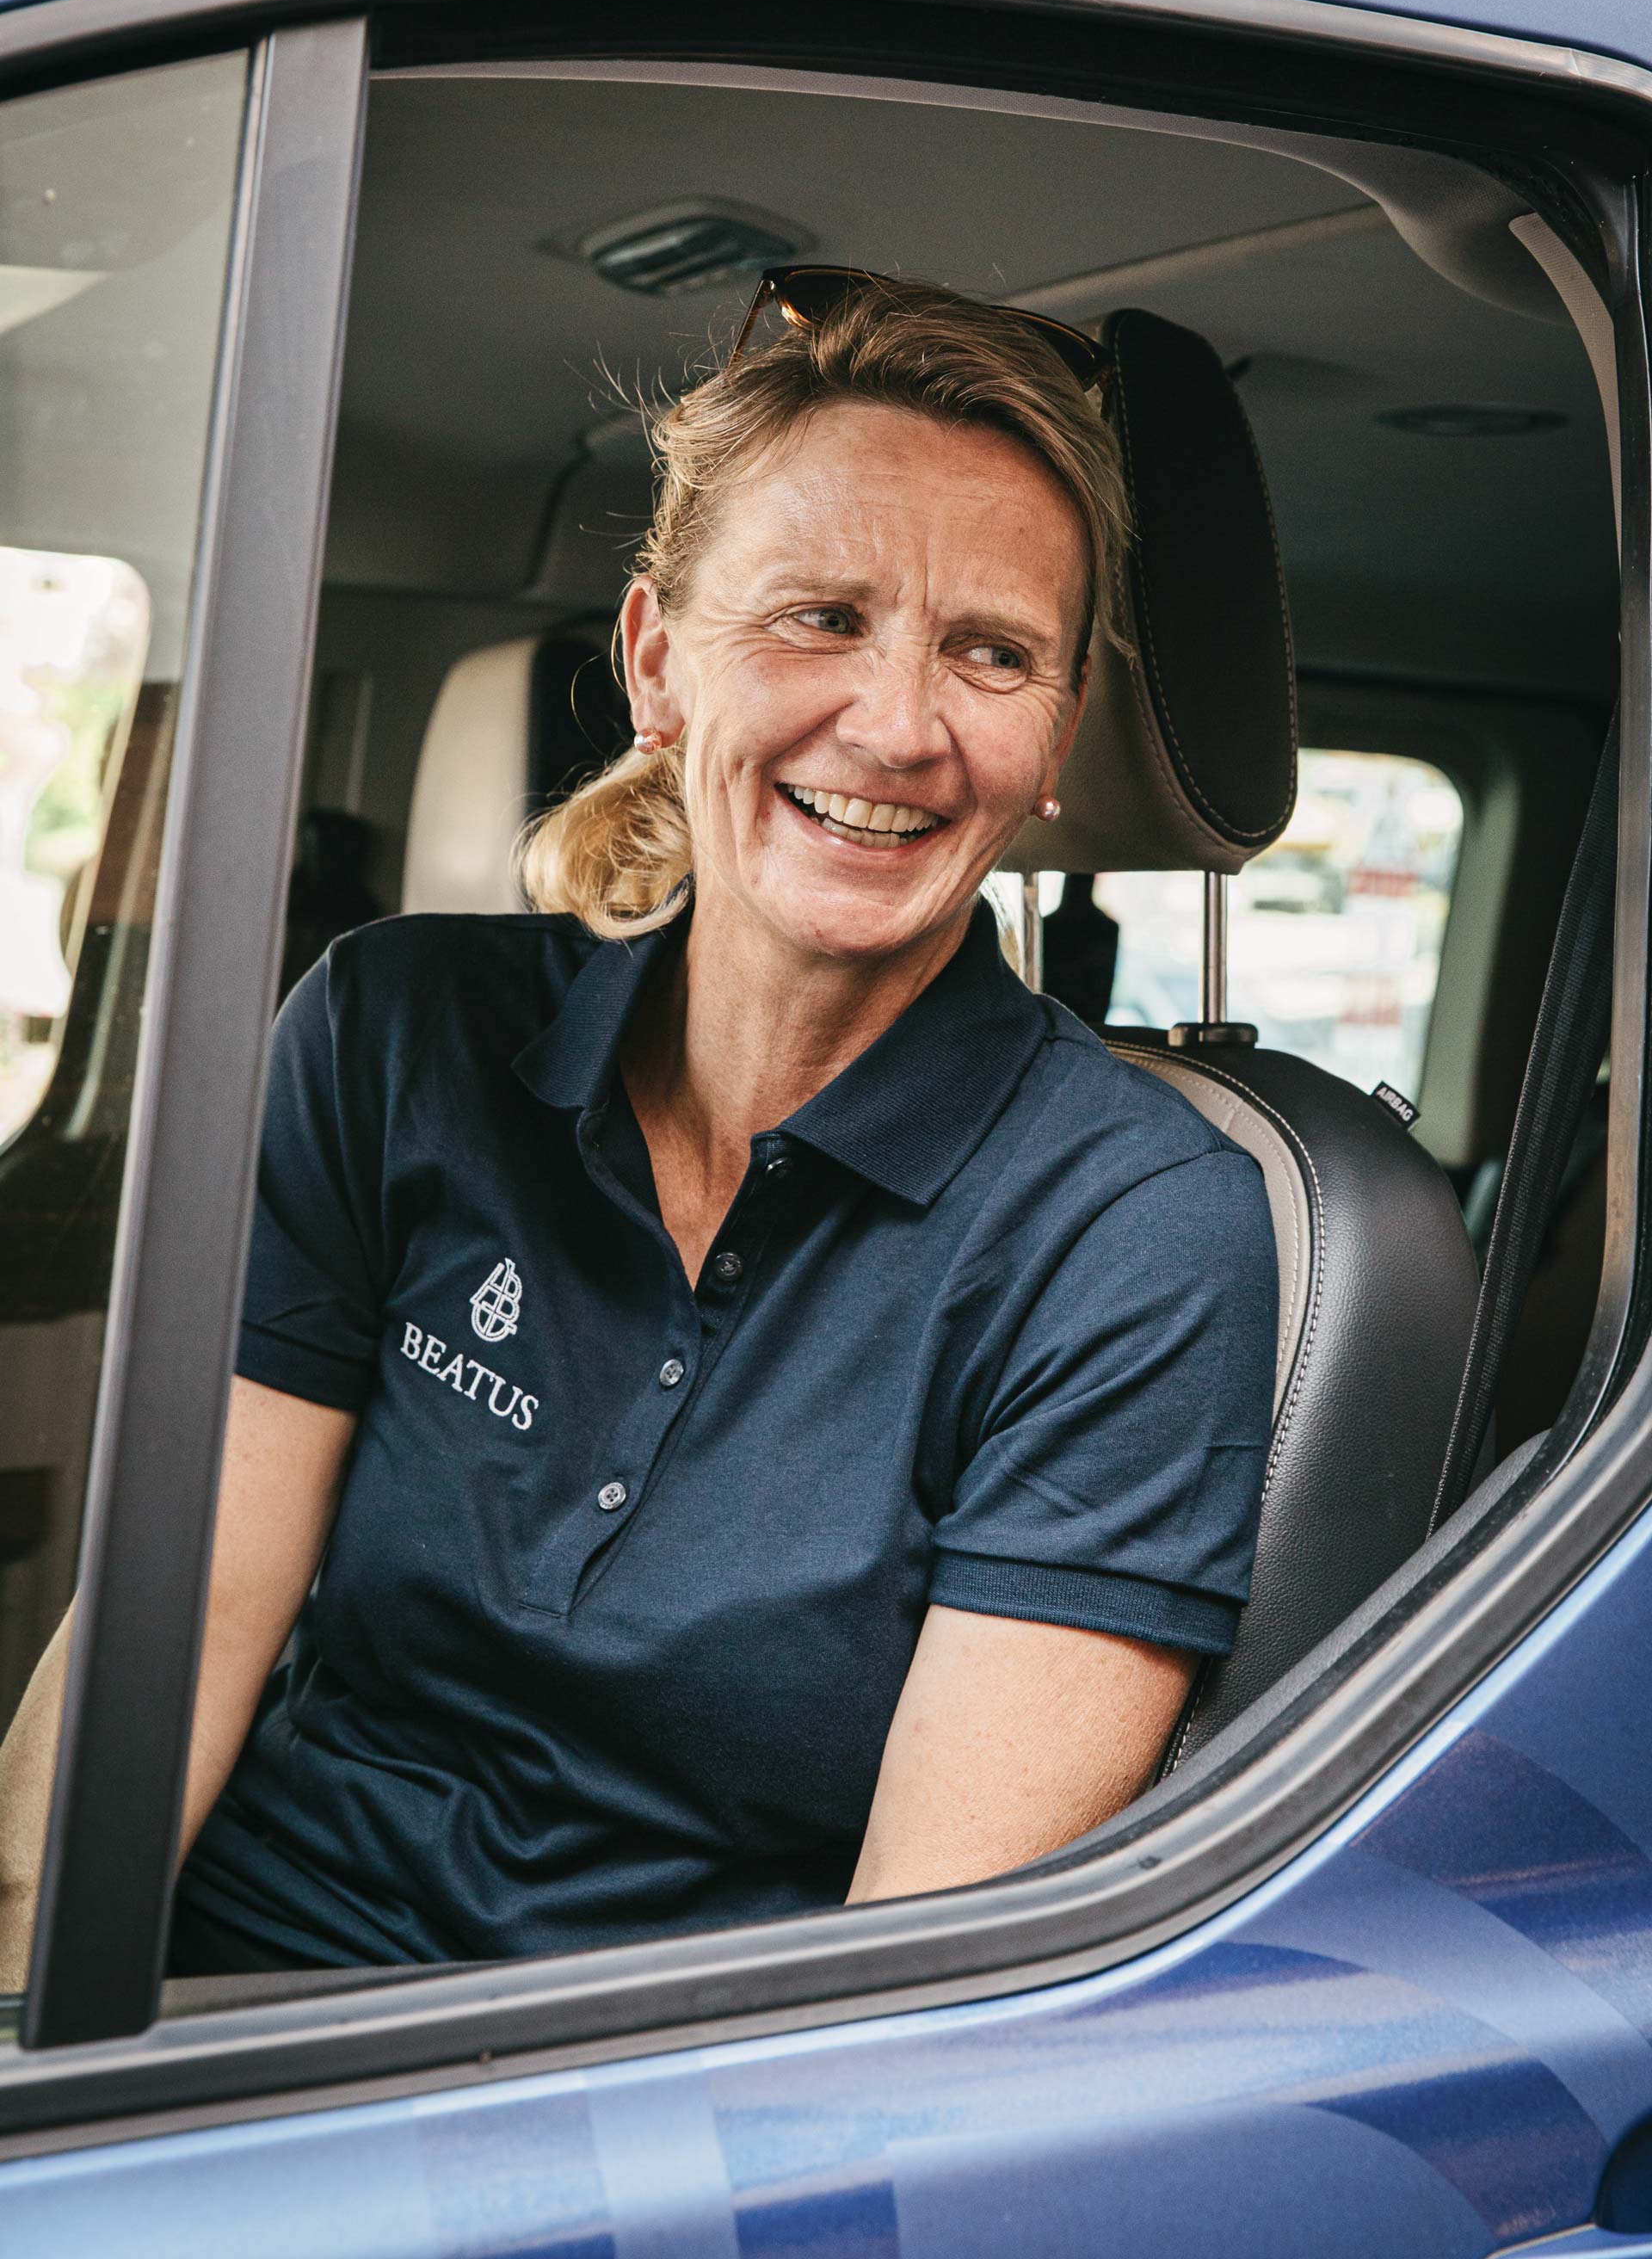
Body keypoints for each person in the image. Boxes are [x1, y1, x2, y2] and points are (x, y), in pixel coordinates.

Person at [0, 271, 1277, 1980]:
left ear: (1052, 741)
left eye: (991, 653)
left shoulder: (1133, 1231)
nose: (897, 726)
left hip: (646, 2114)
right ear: (657, 662)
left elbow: (916, 1992)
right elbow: (158, 1661)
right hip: (228, 2012)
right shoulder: (395, 1033)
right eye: (820, 616)